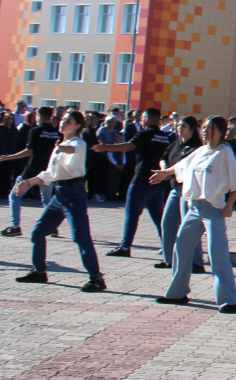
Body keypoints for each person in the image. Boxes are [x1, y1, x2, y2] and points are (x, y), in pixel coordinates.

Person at [149, 116, 236, 312]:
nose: (204, 131)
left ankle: (230, 300)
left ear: (220, 131)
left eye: (209, 128)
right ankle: (177, 293)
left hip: (213, 209)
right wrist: (164, 173)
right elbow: (180, 167)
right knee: (181, 247)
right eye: (203, 127)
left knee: (217, 253)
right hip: (194, 208)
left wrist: (228, 206)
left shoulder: (224, 152)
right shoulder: (200, 151)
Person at [12, 110, 105, 291]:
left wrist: (61, 148)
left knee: (81, 237)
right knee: (38, 232)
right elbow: (50, 174)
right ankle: (39, 271)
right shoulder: (59, 144)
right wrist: (28, 182)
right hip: (59, 193)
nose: (63, 122)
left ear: (77, 126)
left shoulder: (79, 143)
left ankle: (97, 278)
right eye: (62, 119)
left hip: (75, 193)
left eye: (68, 121)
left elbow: (73, 149)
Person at [94, 107, 174, 258]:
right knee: (158, 217)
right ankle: (168, 245)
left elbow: (128, 146)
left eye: (143, 117)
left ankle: (125, 247)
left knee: (132, 215)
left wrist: (106, 147)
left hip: (142, 180)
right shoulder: (166, 136)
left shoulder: (144, 134)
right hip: (159, 182)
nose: (142, 120)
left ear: (149, 119)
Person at [155, 116, 206, 273]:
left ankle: (197, 262)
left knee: (189, 226)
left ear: (192, 129)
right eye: (178, 125)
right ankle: (168, 259)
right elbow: (164, 159)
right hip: (175, 189)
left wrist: (167, 171)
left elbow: (187, 166)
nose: (179, 128)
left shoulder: (197, 147)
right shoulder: (175, 145)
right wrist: (164, 170)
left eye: (183, 126)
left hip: (189, 190)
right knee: (167, 223)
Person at [2, 106, 61, 237]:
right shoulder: (57, 132)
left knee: (15, 196)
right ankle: (52, 227)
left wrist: (8, 157)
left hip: (32, 170)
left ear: (39, 116)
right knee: (47, 199)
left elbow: (28, 151)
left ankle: (15, 226)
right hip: (48, 171)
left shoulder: (35, 131)